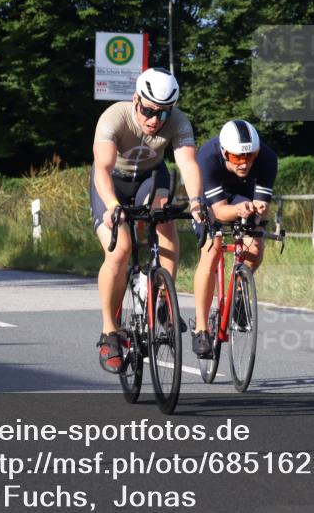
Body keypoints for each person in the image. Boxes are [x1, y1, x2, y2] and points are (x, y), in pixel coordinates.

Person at [91, 67, 205, 373]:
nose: (155, 120)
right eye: (149, 111)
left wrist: (197, 202)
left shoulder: (179, 121)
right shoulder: (114, 117)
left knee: (165, 219)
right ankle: (110, 331)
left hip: (150, 178)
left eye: (163, 113)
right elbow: (102, 167)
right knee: (120, 249)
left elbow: (188, 163)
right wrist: (113, 205)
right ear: (135, 100)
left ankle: (163, 300)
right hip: (112, 182)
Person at [190, 120, 278, 358]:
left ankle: (238, 292)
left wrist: (258, 211)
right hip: (209, 201)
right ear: (224, 152)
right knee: (212, 248)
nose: (245, 163)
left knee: (255, 246)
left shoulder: (267, 158)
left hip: (241, 194)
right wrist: (239, 210)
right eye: (237, 157)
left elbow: (262, 208)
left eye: (250, 156)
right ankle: (201, 329)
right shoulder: (207, 157)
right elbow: (219, 211)